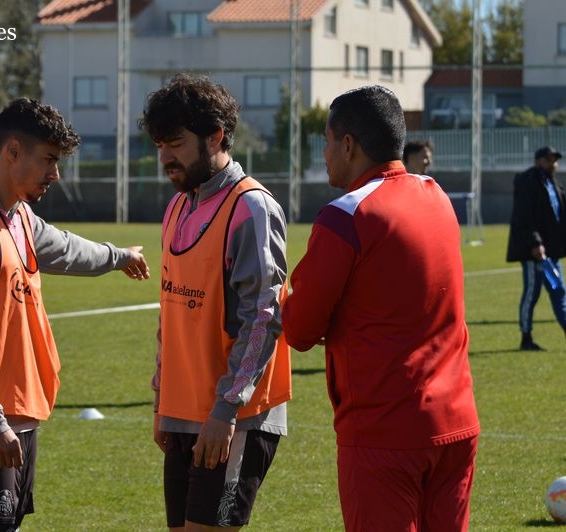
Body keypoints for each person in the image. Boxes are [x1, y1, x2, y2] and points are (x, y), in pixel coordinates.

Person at [0, 97, 150, 531]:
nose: (55, 174)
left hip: (16, 409)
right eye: (48, 160)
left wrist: (118, 256)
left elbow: (67, 248)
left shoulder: (19, 216)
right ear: (11, 152)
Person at [282, 85, 480, 532]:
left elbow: (299, 330)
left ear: (348, 144)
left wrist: (276, 294)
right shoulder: (437, 195)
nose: (326, 153)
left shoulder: (346, 215)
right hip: (457, 421)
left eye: (328, 141)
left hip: (383, 432)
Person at [139, 73, 292, 531]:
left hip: (235, 416)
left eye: (176, 144)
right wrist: (162, 401)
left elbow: (263, 318)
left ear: (216, 136)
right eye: (159, 145)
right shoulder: (177, 205)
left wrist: (225, 409)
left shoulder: (252, 208)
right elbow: (170, 313)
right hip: (183, 412)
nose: (165, 157)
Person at [506, 145, 566, 351]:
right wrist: (535, 243)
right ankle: (526, 337)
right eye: (549, 160)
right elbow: (524, 216)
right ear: (538, 161)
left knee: (559, 292)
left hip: (552, 252)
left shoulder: (553, 184)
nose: (553, 164)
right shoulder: (528, 181)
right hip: (534, 252)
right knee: (532, 293)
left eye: (555, 160)